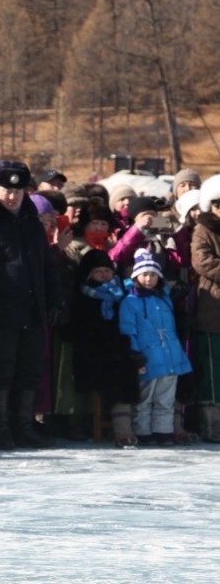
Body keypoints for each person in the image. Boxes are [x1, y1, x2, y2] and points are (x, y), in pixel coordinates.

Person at [0, 159, 62, 450]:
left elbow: (46, 265)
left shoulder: (31, 222)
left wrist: (54, 299)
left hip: (32, 310)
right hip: (3, 312)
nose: (12, 197)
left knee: (30, 369)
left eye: (18, 191)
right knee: (1, 370)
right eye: (6, 190)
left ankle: (23, 425)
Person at [118, 249, 192, 446]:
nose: (149, 279)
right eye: (144, 274)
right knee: (145, 398)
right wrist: (134, 353)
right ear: (136, 276)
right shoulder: (130, 301)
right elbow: (128, 330)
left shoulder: (164, 298)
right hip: (148, 356)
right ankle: (143, 431)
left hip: (169, 356)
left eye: (153, 275)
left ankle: (163, 431)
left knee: (165, 398)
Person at [71, 250, 143, 447]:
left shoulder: (122, 294)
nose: (104, 275)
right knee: (116, 373)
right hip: (92, 354)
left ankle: (139, 428)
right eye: (98, 271)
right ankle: (122, 430)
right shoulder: (83, 298)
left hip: (119, 350)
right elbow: (76, 331)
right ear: (89, 274)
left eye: (107, 270)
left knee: (128, 368)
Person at [190, 175, 220, 442]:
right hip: (213, 306)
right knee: (213, 369)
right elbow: (203, 262)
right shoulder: (203, 229)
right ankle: (212, 425)